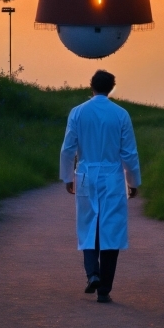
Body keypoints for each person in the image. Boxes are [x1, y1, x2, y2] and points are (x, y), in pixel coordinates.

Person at [60, 69, 141, 303]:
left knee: (87, 225)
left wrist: (68, 177)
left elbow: (68, 149)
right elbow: (129, 152)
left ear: (91, 86)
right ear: (112, 87)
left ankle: (92, 273)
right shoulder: (121, 114)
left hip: (85, 173)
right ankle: (104, 288)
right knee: (111, 229)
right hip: (113, 175)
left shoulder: (78, 113)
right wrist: (132, 181)